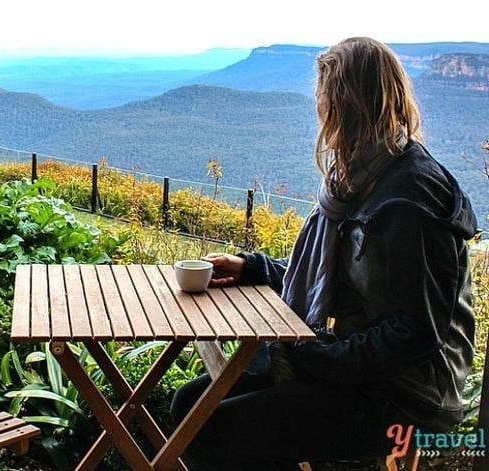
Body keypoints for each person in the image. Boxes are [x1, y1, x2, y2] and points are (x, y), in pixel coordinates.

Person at [170, 36, 478, 470]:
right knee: (191, 403)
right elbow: (330, 276)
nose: (318, 109)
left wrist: (308, 358)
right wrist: (254, 267)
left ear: (344, 105)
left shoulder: (408, 201)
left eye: (323, 96)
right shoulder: (359, 177)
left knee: (213, 428)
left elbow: (414, 336)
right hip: (360, 365)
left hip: (406, 395)